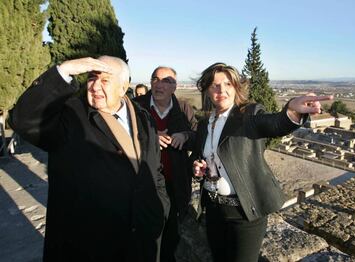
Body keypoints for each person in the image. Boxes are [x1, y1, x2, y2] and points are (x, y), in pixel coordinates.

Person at [8, 56, 170, 262]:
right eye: (92, 78)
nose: (94, 87)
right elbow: (23, 120)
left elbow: (155, 171)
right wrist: (63, 71)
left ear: (123, 87)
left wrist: (160, 209)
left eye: (104, 80)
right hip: (89, 244)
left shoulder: (144, 118)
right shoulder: (70, 115)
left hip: (142, 240)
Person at [192, 63, 333, 262]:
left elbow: (274, 124)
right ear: (207, 90)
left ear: (236, 88)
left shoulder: (248, 116)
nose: (221, 90)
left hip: (245, 214)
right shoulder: (204, 124)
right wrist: (197, 167)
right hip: (214, 211)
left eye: (227, 84)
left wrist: (292, 112)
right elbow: (198, 156)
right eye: (215, 85)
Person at [134, 66, 197, 262]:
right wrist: (151, 137)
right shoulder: (136, 107)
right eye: (155, 79)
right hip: (143, 183)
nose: (159, 84)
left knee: (171, 232)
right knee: (143, 233)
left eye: (166, 81)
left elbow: (197, 136)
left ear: (174, 87)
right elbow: (123, 138)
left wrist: (184, 135)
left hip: (175, 182)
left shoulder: (184, 108)